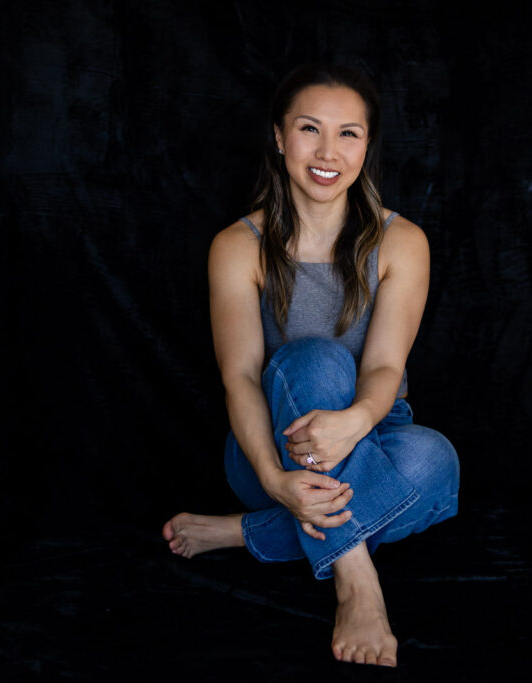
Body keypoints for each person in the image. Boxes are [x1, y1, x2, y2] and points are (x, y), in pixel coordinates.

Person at [162, 64, 459, 667]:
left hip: (376, 427)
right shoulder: (238, 245)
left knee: (436, 461)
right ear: (278, 137)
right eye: (309, 129)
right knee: (314, 358)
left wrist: (355, 421)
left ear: (367, 145)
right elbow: (241, 376)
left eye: (349, 133)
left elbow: (382, 365)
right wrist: (273, 479)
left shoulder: (402, 241)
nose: (329, 152)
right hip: (268, 445)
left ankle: (246, 532)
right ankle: (356, 577)